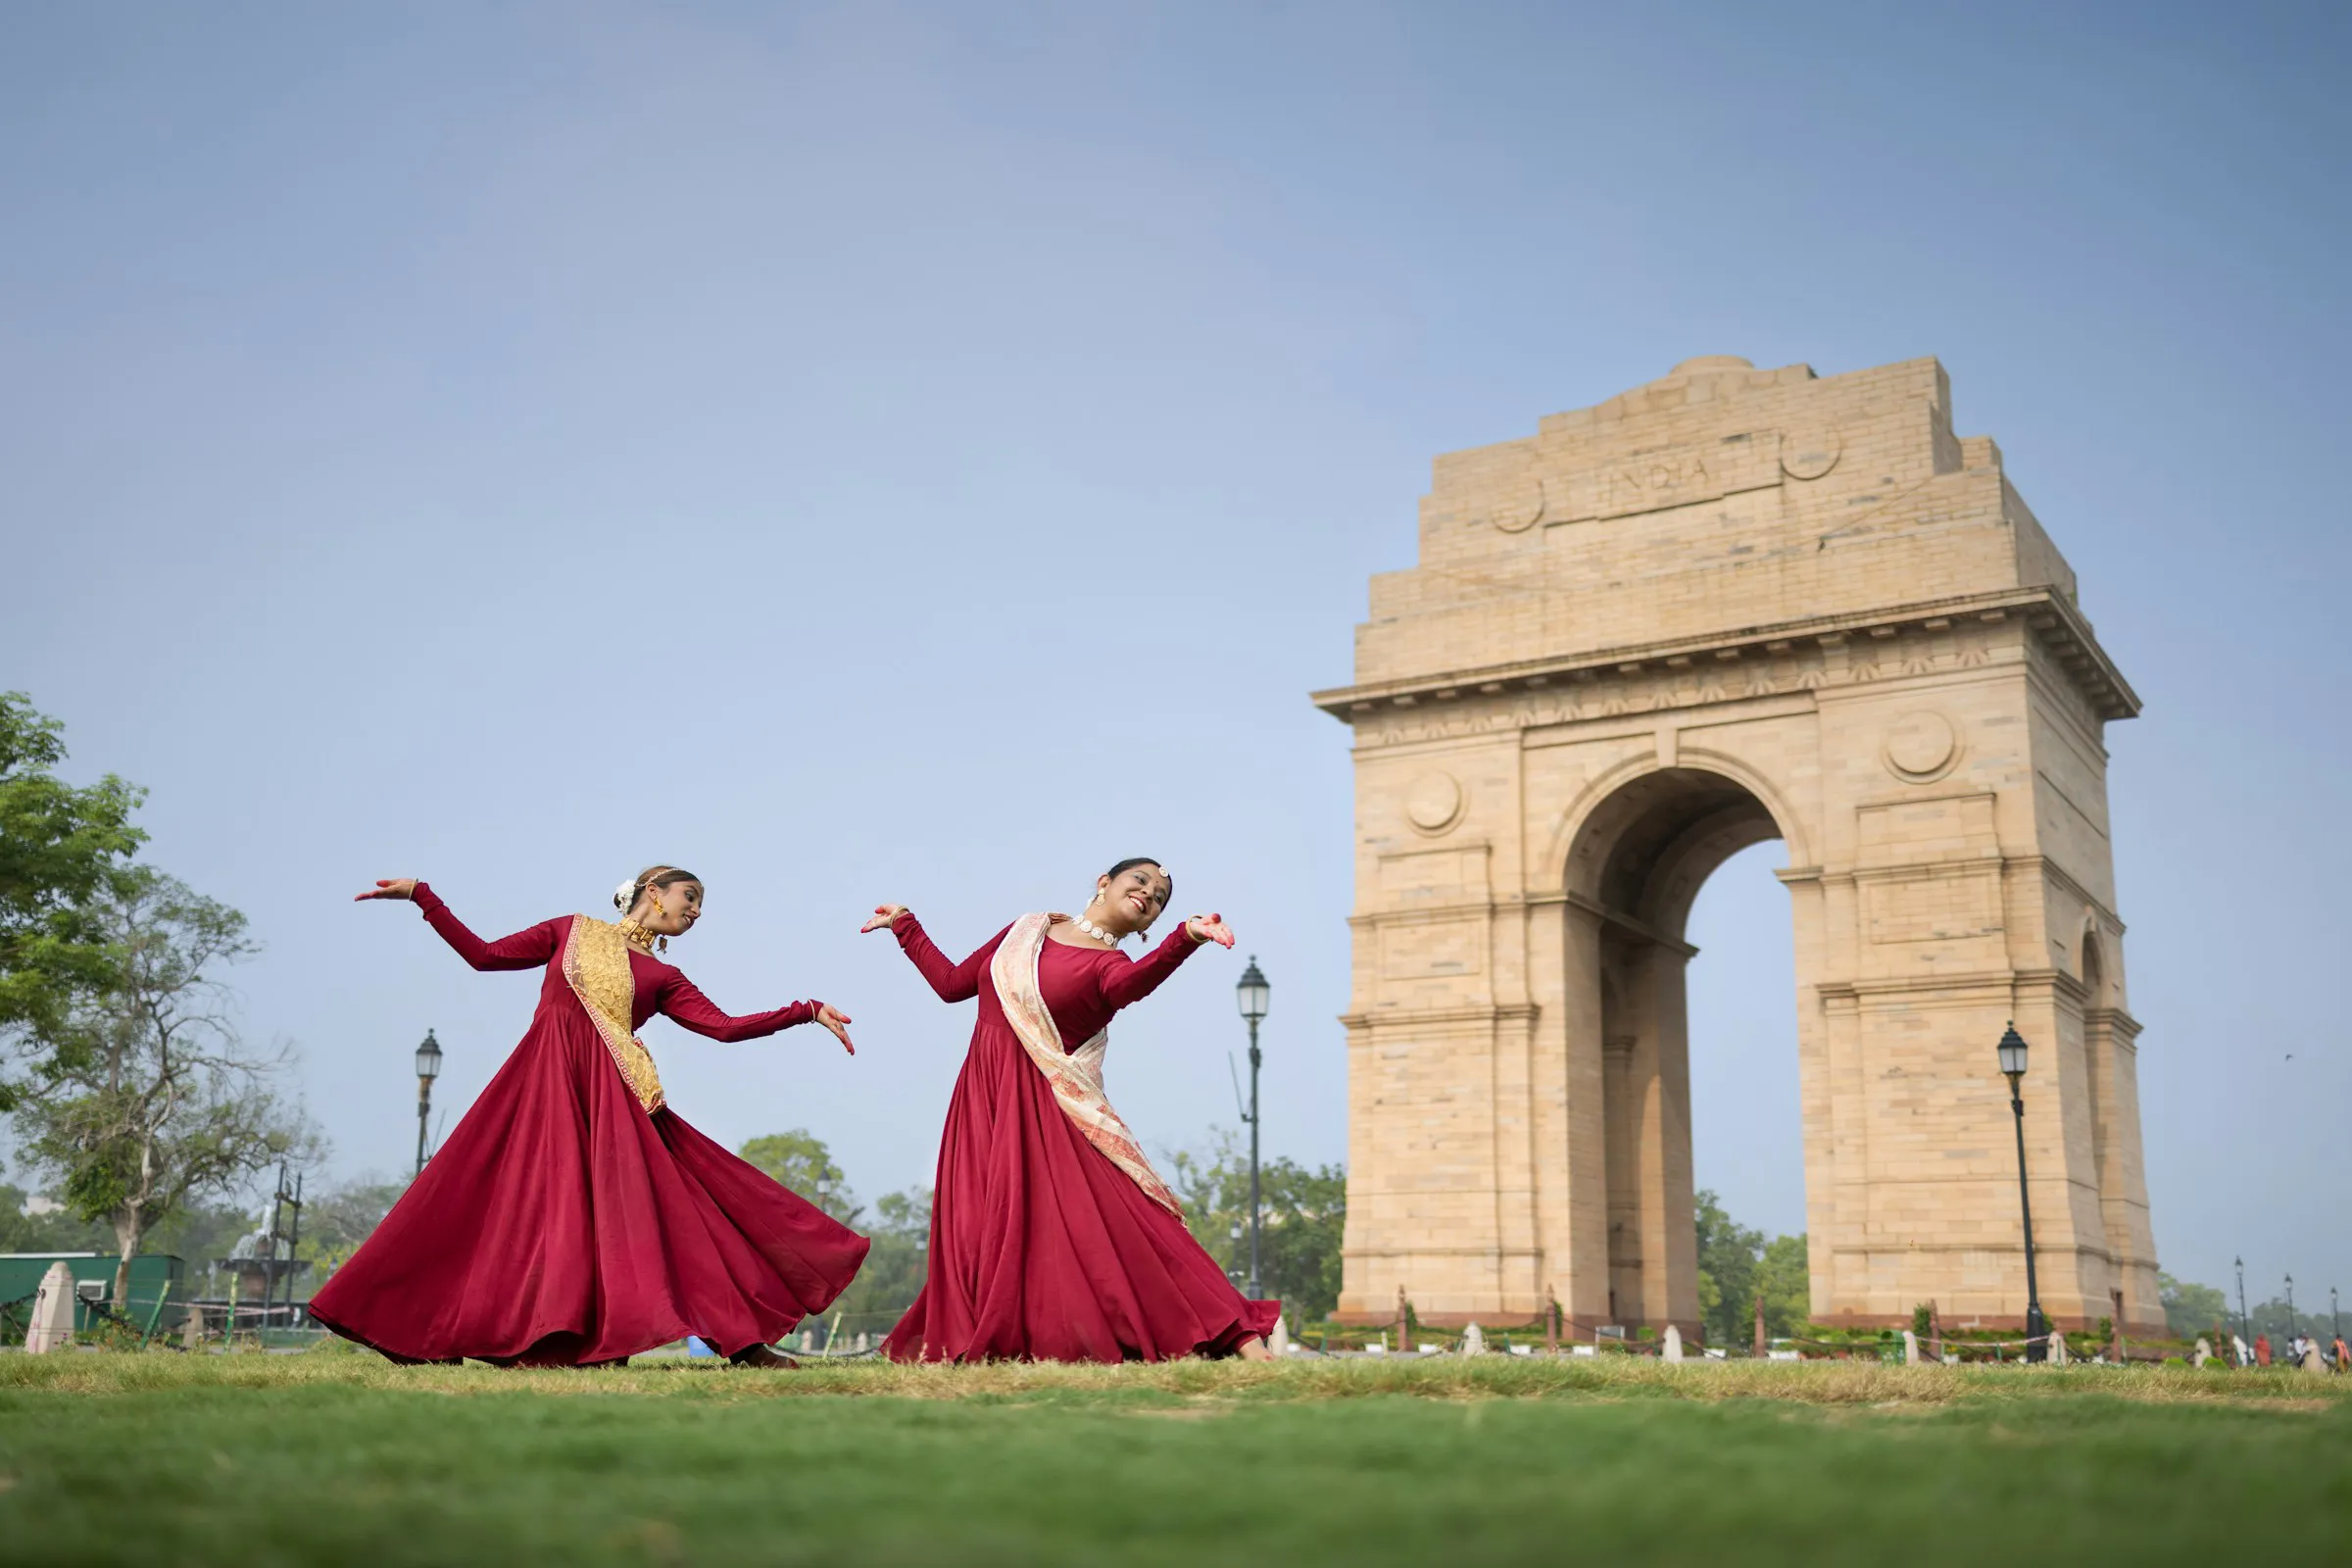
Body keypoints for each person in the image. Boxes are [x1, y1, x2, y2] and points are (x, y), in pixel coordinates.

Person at [308, 867, 869, 1368]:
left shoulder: (663, 977)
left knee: (683, 1210)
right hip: (542, 1088)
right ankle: (431, 1324)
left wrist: (806, 1011)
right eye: (689, 898)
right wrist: (423, 898)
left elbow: (722, 1027)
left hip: (614, 1102)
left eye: (700, 906)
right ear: (654, 892)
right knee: (480, 1196)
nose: (696, 912)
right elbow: (484, 955)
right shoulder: (571, 931)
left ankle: (743, 1341)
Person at [865, 858, 1281, 1363]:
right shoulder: (1027, 929)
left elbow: (1138, 984)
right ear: (1105, 883)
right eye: (1141, 881)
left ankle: (1241, 1338)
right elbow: (953, 985)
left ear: (1150, 924)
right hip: (984, 1099)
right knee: (977, 1226)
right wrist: (906, 926)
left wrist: (1186, 938)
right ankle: (1002, 1337)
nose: (1149, 894)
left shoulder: (1113, 969)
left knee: (1127, 1223)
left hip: (1051, 1110)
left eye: (1159, 899)